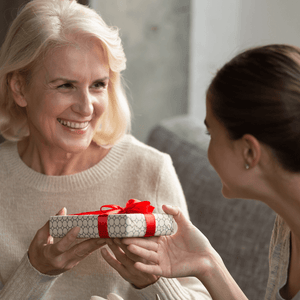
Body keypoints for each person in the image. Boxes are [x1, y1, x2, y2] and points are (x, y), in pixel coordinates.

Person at [0, 0, 212, 299]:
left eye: (98, 84)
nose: (86, 107)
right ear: (19, 87)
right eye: (65, 85)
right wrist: (35, 272)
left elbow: (198, 294)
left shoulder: (149, 169)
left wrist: (153, 282)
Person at [121, 44, 300, 300]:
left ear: (249, 152)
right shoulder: (287, 225)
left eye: (211, 133)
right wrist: (207, 263)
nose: (209, 147)